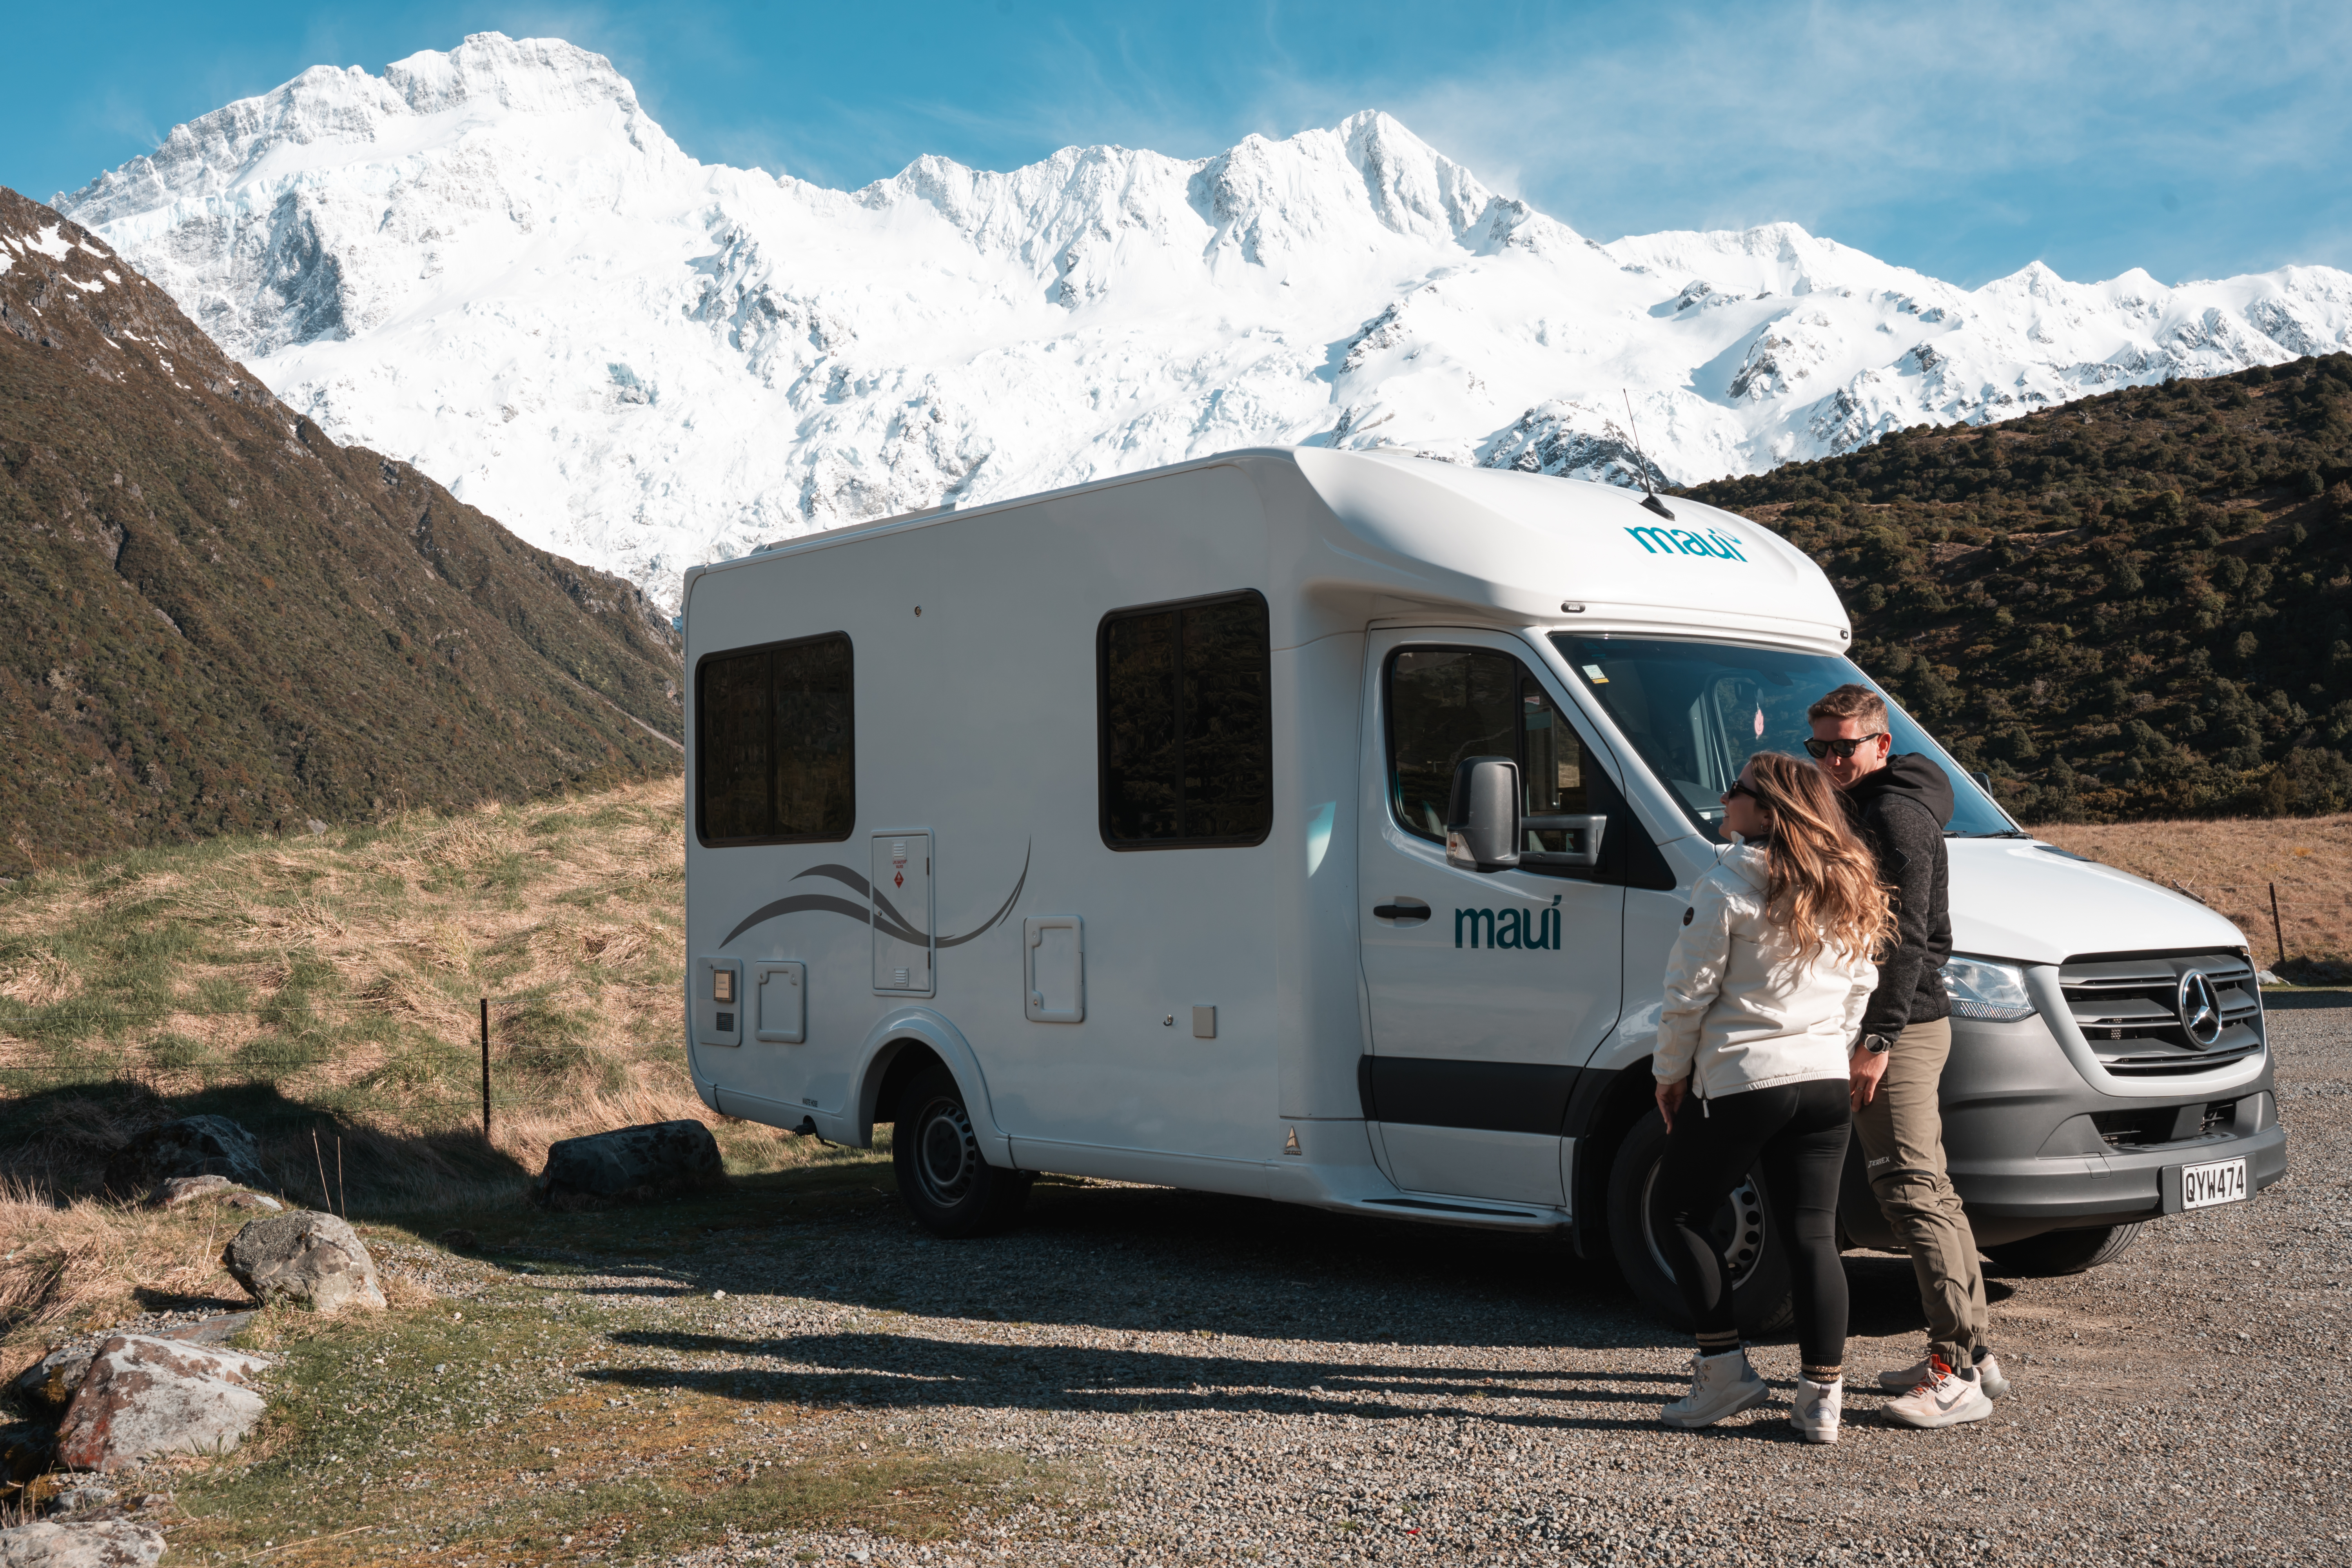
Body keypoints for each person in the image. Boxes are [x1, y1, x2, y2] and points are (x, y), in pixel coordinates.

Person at [1651, 751, 1890, 1444]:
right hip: (1821, 1079)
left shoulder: (1725, 885)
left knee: (1679, 1211)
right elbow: (1861, 987)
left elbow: (1688, 994)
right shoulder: (1846, 882)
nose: (1725, 797)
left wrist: (1670, 1074)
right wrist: (1834, 1048)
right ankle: (1821, 1403)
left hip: (1745, 1078)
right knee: (1814, 1237)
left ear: (1769, 810)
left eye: (1739, 790)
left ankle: (1724, 1370)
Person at [1807, 682, 2008, 1430]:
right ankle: (1973, 1356)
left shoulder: (1893, 816)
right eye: (1819, 748)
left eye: (1845, 747)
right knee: (1932, 1189)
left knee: (1911, 1192)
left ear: (1881, 745)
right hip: (1905, 1023)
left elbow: (1906, 940)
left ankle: (1953, 1371)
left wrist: (1877, 1041)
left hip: (1901, 1028)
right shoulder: (1877, 804)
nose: (1831, 760)